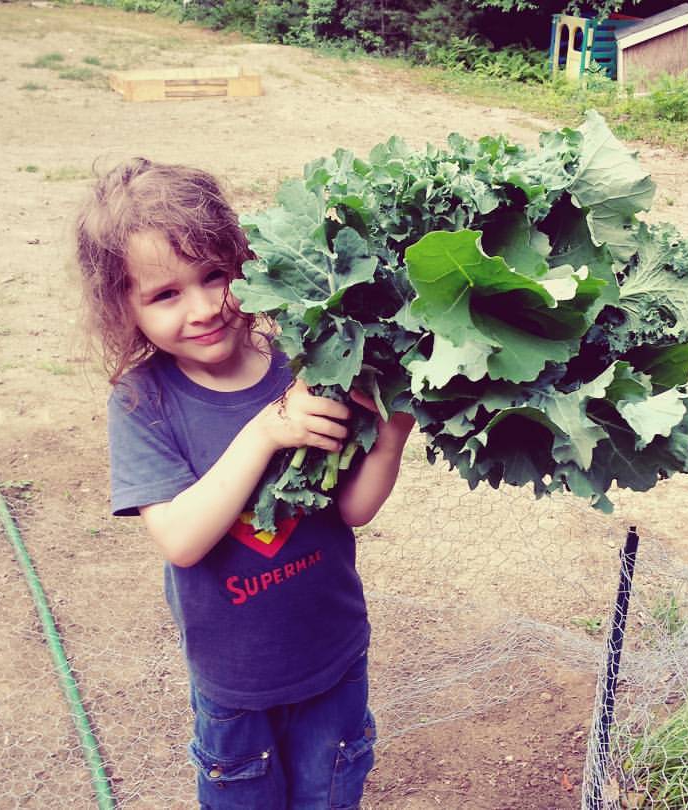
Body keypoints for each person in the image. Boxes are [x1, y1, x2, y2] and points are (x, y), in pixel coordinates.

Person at [74, 157, 414, 809]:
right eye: (165, 295)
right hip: (235, 686)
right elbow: (181, 539)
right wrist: (265, 433)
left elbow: (351, 509)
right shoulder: (143, 402)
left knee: (329, 795)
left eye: (214, 276)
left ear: (246, 263)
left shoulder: (304, 358)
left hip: (334, 656)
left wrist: (392, 436)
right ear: (123, 308)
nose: (203, 308)